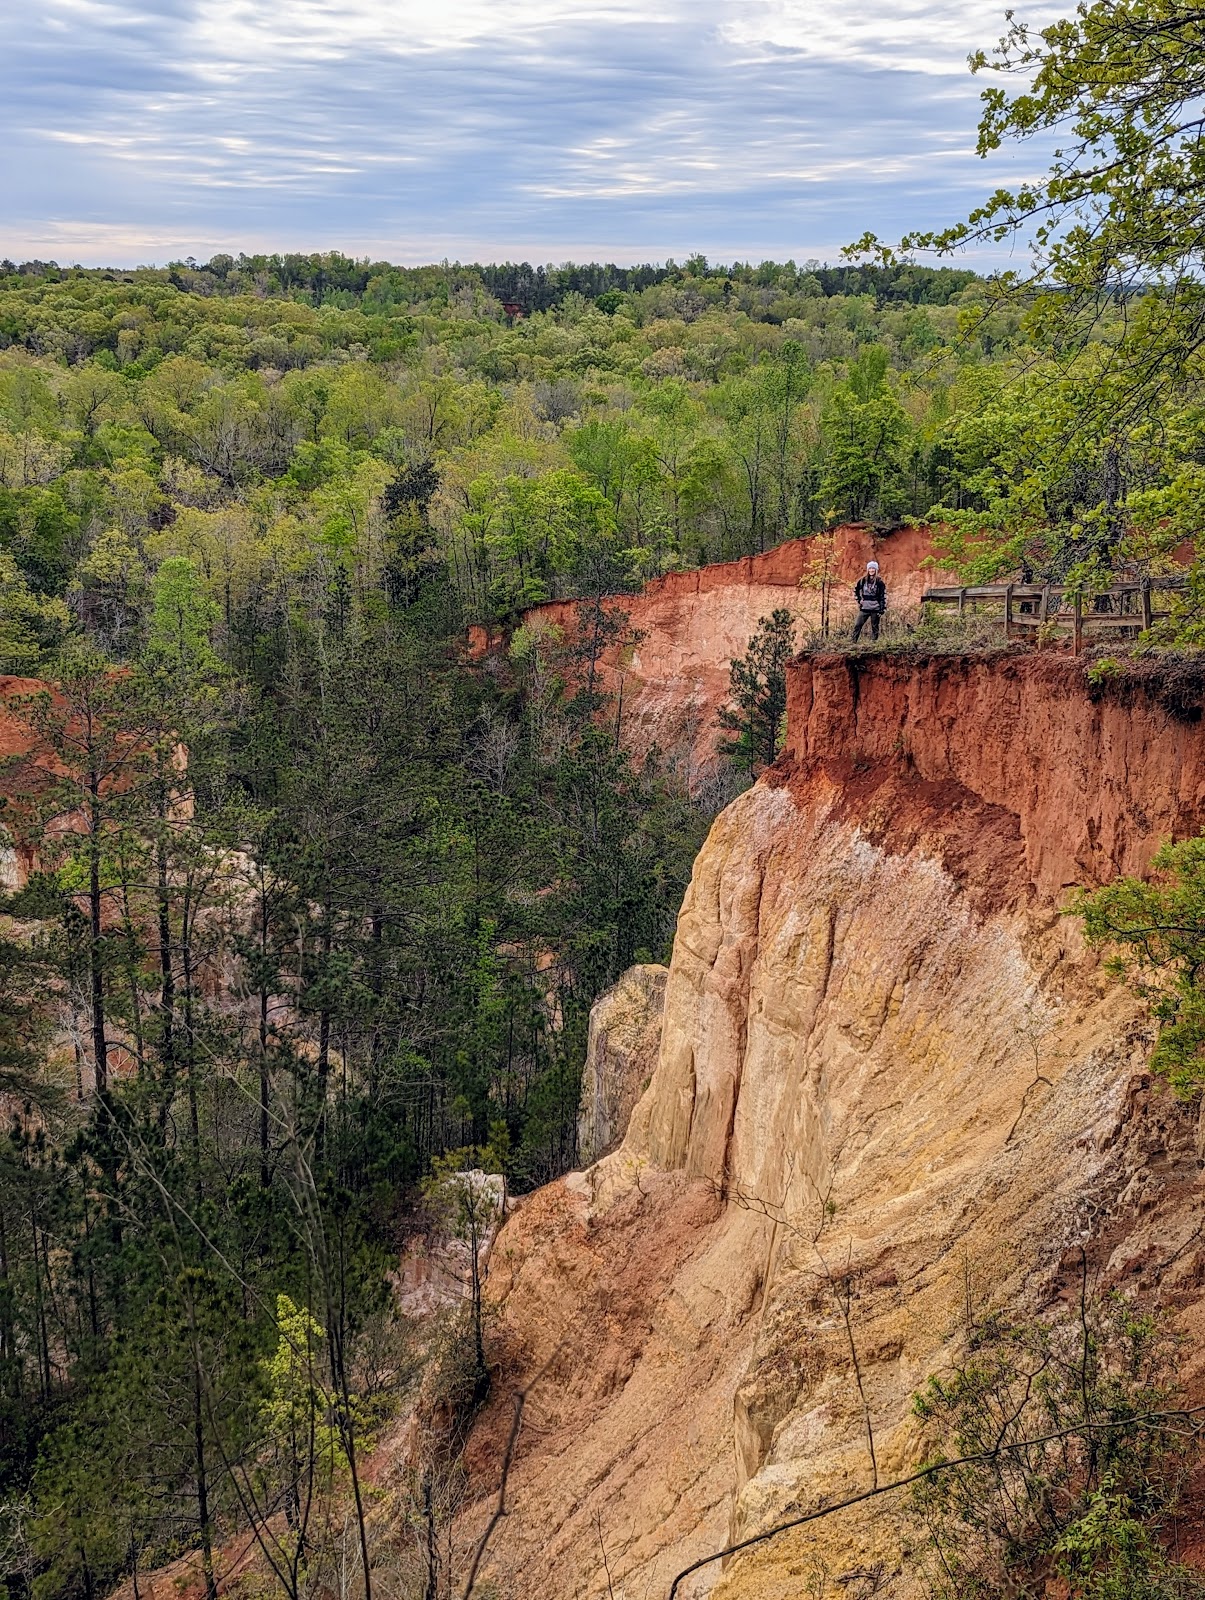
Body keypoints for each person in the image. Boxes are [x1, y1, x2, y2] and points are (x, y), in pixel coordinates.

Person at [852, 560, 886, 642]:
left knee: (875, 627)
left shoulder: (879, 582)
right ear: (867, 569)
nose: (871, 570)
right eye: (870, 568)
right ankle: (853, 642)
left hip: (875, 608)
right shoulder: (862, 581)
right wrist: (859, 600)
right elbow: (855, 591)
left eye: (873, 568)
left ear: (876, 570)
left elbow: (883, 596)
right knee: (857, 625)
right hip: (864, 607)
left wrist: (882, 608)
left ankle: (874, 643)